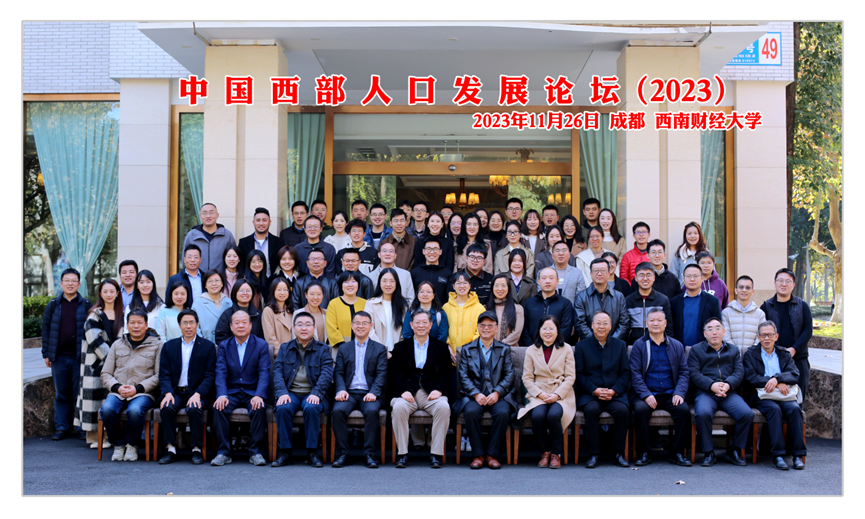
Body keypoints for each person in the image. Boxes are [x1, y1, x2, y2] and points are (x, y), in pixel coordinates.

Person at [390, 309, 454, 468]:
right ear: (411, 325)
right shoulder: (400, 347)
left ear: (430, 325)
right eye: (417, 322)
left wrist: (439, 390)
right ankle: (402, 454)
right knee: (398, 408)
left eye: (424, 322)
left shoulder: (440, 347)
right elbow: (395, 373)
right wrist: (403, 390)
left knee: (443, 407)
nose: (421, 325)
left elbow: (446, 373)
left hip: (431, 392)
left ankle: (436, 454)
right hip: (407, 393)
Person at [453, 311, 517, 469]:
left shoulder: (504, 349)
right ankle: (478, 455)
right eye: (482, 325)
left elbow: (510, 374)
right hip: (474, 395)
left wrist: (497, 392)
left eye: (490, 325)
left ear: (496, 328)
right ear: (477, 327)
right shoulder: (467, 349)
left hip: (498, 395)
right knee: (471, 412)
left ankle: (492, 455)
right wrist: (476, 393)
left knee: (502, 413)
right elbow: (463, 375)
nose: (486, 328)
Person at [629, 309, 692, 467]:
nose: (655, 323)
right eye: (652, 320)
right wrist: (646, 394)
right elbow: (635, 374)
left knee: (683, 410)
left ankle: (677, 453)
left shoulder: (676, 345)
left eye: (659, 320)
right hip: (647, 393)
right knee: (640, 410)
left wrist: (679, 392)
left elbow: (684, 373)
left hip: (670, 393)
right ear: (646, 323)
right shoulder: (639, 345)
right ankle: (644, 452)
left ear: (665, 323)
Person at [271, 311, 333, 468]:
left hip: (312, 393)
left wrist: (317, 393)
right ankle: (285, 452)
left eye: (307, 325)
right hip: (290, 393)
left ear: (314, 328)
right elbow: (277, 372)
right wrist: (282, 393)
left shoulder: (323, 349)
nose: (303, 328)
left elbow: (327, 373)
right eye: (299, 325)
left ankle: (312, 452)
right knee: (282, 407)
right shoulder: (285, 348)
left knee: (312, 407)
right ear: (293, 328)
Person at [688, 316, 753, 467]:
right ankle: (708, 452)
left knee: (746, 414)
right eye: (710, 329)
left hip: (728, 392)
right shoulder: (696, 350)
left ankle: (734, 450)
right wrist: (712, 385)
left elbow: (739, 372)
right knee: (703, 413)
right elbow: (694, 373)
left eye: (718, 329)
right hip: (706, 392)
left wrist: (728, 385)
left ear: (724, 332)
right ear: (705, 334)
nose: (714, 332)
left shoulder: (733, 350)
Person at [210, 310, 272, 467]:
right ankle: (223, 452)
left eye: (244, 322)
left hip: (252, 392)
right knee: (219, 407)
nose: (241, 325)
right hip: (231, 392)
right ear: (231, 327)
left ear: (250, 325)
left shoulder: (261, 345)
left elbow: (264, 372)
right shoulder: (225, 346)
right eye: (236, 323)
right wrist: (222, 394)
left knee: (259, 407)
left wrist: (259, 395)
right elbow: (220, 372)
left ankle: (255, 452)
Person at [742, 321, 806, 470]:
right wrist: (774, 382)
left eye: (770, 335)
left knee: (794, 409)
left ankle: (798, 455)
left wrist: (778, 378)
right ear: (758, 337)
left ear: (776, 336)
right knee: (774, 410)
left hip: (783, 395)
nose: (767, 338)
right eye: (763, 335)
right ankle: (778, 455)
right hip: (761, 395)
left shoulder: (784, 353)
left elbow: (795, 374)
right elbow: (751, 377)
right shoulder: (750, 354)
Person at [100, 309, 163, 461]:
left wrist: (138, 388)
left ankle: (132, 445)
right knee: (107, 410)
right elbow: (105, 373)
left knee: (134, 410)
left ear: (146, 325)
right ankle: (118, 444)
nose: (136, 326)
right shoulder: (117, 345)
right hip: (119, 391)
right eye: (132, 323)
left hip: (143, 392)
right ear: (127, 325)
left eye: (140, 322)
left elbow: (159, 375)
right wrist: (117, 387)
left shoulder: (157, 345)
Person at [157, 309, 216, 465]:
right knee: (167, 407)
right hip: (176, 392)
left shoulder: (208, 347)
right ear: (179, 325)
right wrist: (168, 393)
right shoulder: (169, 346)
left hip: (197, 392)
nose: (188, 326)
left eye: (191, 322)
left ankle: (196, 449)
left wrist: (198, 394)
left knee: (195, 408)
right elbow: (164, 374)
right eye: (185, 323)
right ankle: (170, 449)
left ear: (197, 324)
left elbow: (210, 376)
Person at [517, 315, 576, 469]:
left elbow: (570, 377)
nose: (547, 332)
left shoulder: (566, 348)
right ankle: (545, 452)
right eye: (544, 328)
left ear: (557, 331)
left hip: (561, 393)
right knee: (538, 416)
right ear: (539, 330)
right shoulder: (531, 350)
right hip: (539, 392)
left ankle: (556, 454)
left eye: (551, 328)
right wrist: (540, 394)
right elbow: (527, 378)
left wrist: (557, 395)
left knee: (554, 415)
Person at [574, 311, 631, 468]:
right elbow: (579, 375)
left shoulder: (620, 345)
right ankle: (593, 454)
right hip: (591, 394)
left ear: (610, 326)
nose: (601, 327)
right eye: (598, 323)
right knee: (591, 410)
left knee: (623, 411)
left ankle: (618, 453)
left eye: (605, 323)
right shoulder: (581, 346)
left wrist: (614, 391)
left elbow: (625, 373)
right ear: (592, 325)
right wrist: (594, 390)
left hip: (614, 393)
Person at [332, 311, 389, 468]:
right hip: (349, 393)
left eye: (365, 323)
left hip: (369, 393)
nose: (360, 326)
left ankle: (369, 454)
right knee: (337, 411)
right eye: (357, 323)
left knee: (372, 411)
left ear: (371, 326)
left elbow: (381, 374)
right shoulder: (344, 348)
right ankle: (343, 454)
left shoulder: (379, 349)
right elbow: (339, 372)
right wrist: (341, 389)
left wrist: (373, 392)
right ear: (352, 325)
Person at [42, 268, 93, 441]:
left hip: (80, 357)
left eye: (74, 281)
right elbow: (46, 329)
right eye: (67, 280)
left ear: (79, 284)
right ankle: (61, 427)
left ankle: (81, 428)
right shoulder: (53, 305)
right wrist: (46, 353)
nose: (70, 284)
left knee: (80, 393)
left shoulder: (86, 305)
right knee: (61, 394)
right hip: (59, 357)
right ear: (61, 283)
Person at [76, 279, 121, 448]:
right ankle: (95, 438)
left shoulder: (122, 314)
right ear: (100, 294)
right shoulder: (94, 315)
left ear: (117, 293)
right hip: (95, 364)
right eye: (105, 291)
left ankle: (109, 436)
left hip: (116, 365)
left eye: (112, 291)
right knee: (93, 400)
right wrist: (113, 360)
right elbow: (95, 341)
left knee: (108, 401)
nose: (109, 294)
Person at [760, 268, 813, 401]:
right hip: (774, 359)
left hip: (798, 358)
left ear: (793, 285)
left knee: (798, 399)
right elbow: (762, 333)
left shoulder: (802, 306)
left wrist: (794, 349)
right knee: (774, 398)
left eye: (788, 281)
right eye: (780, 280)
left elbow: (807, 330)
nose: (784, 284)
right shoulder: (766, 307)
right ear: (775, 283)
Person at [573, 259, 629, 342]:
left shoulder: (619, 297)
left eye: (603, 270)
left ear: (609, 273)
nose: (599, 273)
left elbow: (624, 323)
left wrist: (611, 342)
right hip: (590, 345)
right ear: (591, 274)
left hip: (614, 345)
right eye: (596, 271)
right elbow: (580, 323)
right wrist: (595, 343)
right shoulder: (581, 297)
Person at [670, 264, 723, 347]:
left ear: (702, 278)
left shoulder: (712, 301)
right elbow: (671, 328)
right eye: (688, 276)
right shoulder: (675, 302)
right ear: (683, 279)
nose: (692, 279)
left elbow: (717, 326)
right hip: (680, 349)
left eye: (695, 276)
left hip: (705, 350)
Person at [521, 267, 576, 345]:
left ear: (557, 281)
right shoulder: (529, 303)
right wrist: (533, 347)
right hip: (532, 348)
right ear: (538, 281)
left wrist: (552, 347)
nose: (547, 281)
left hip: (557, 349)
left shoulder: (565, 304)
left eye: (551, 278)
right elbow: (524, 329)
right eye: (544, 278)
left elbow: (566, 330)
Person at [624, 262, 673, 344]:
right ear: (636, 278)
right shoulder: (628, 300)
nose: (645, 278)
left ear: (654, 278)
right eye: (641, 275)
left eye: (648, 275)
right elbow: (625, 327)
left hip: (657, 345)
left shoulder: (663, 300)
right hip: (634, 345)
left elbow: (669, 327)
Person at [183, 202, 237, 273]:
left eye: (211, 213)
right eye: (204, 213)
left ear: (217, 215)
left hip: (220, 278)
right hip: (197, 278)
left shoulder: (227, 235)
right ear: (200, 216)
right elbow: (185, 261)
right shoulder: (191, 235)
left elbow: (234, 258)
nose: (208, 216)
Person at [443, 271, 485, 360]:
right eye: (458, 283)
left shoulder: (479, 308)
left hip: (473, 356)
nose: (462, 286)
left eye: (465, 283)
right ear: (453, 286)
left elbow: (481, 331)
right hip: (451, 356)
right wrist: (448, 348)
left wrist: (469, 348)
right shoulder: (446, 307)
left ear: (469, 286)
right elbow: (443, 331)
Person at [365, 268, 408, 352]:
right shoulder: (371, 303)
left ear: (396, 283)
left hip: (397, 353)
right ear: (380, 283)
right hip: (376, 351)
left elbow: (405, 332)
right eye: (384, 281)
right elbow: (368, 329)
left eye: (392, 281)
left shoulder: (404, 306)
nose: (388, 284)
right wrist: (382, 349)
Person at [238, 207, 285, 278]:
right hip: (250, 281)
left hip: (272, 281)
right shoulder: (243, 242)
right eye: (258, 220)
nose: (261, 223)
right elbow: (240, 265)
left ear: (270, 222)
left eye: (264, 220)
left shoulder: (279, 242)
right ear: (253, 223)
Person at [214, 280, 264, 345]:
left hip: (254, 350)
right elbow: (221, 337)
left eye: (248, 291)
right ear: (235, 293)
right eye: (241, 291)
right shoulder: (227, 314)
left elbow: (262, 337)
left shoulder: (258, 314)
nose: (245, 293)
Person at [722, 275, 766, 348]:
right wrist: (734, 352)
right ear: (736, 290)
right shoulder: (726, 313)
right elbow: (725, 336)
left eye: (748, 287)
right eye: (741, 287)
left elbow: (762, 335)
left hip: (753, 354)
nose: (744, 290)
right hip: (732, 354)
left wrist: (751, 352)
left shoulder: (760, 314)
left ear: (752, 291)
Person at [326, 271, 368, 349]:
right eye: (346, 282)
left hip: (363, 346)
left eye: (353, 281)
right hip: (340, 347)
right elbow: (331, 328)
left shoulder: (366, 303)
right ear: (341, 285)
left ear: (358, 284)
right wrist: (343, 346)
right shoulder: (333, 303)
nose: (350, 285)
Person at [367, 242, 415, 306]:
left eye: (391, 251)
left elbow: (411, 299)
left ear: (395, 255)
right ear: (379, 254)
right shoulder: (370, 276)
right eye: (384, 251)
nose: (388, 254)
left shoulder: (405, 275)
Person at [191, 270, 232, 344]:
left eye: (217, 280)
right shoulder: (198, 303)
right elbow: (194, 326)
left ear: (222, 283)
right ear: (205, 285)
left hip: (226, 345)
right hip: (205, 345)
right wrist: (201, 343)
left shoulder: (228, 302)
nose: (214, 284)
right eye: (210, 281)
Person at [484, 273, 524, 347]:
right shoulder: (485, 309)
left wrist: (499, 345)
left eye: (503, 285)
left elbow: (516, 333)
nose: (500, 289)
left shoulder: (517, 309)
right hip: (488, 349)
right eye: (496, 285)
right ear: (492, 288)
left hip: (510, 350)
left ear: (508, 288)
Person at [410, 236, 452, 306]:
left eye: (435, 249)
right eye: (428, 249)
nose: (432, 252)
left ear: (440, 252)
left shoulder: (447, 273)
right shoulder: (415, 273)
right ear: (423, 251)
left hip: (441, 311)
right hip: (420, 311)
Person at [261, 278, 294, 362]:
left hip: (294, 356)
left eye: (285, 290)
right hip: (279, 357)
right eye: (279, 290)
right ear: (273, 291)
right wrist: (282, 354)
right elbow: (270, 338)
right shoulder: (268, 311)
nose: (282, 293)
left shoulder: (292, 311)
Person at [670, 221, 709, 285]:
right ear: (685, 236)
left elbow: (712, 274)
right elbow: (674, 276)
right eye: (689, 233)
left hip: (702, 290)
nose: (692, 236)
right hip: (683, 290)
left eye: (695, 233)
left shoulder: (706, 253)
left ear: (699, 235)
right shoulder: (679, 254)